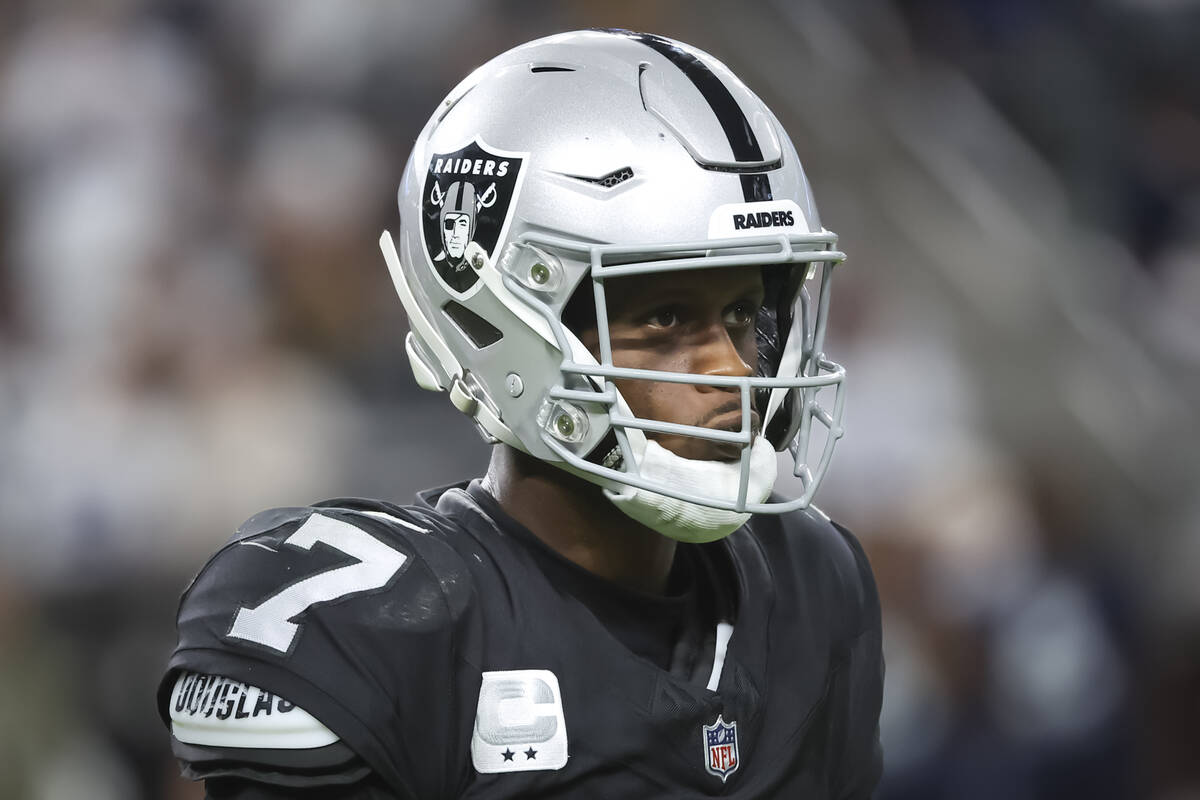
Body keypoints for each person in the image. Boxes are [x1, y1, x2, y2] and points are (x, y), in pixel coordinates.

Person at [157, 29, 884, 799]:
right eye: (668, 319)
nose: (732, 368)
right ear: (504, 320)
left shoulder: (809, 583)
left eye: (742, 313)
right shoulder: (374, 625)